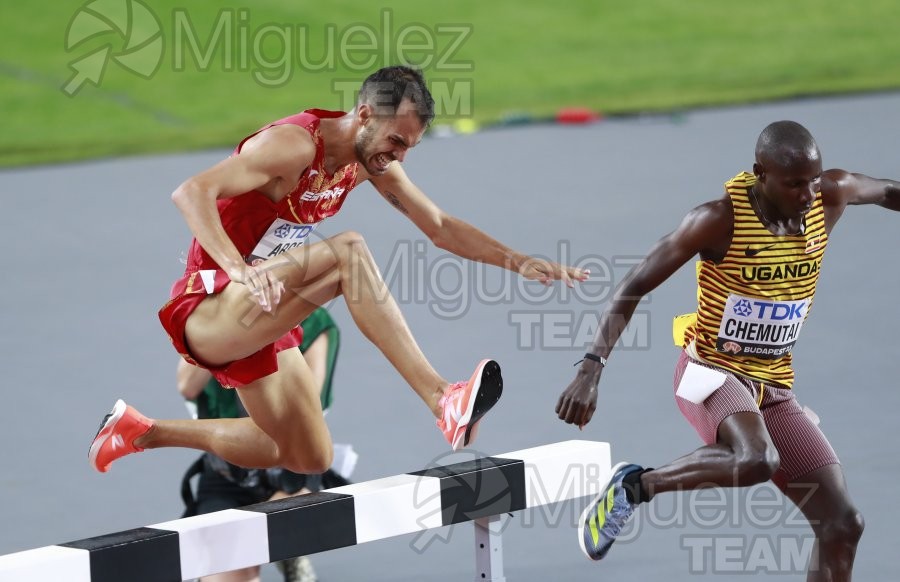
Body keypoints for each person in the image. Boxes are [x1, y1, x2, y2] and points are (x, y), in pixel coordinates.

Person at [89, 65, 587, 478]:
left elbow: (438, 225)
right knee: (350, 252)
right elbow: (190, 191)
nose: (399, 157)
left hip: (262, 313)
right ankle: (442, 400)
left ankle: (142, 432)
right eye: (396, 140)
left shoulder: (367, 162)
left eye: (410, 147)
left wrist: (520, 261)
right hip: (213, 307)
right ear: (365, 114)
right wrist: (238, 269)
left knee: (308, 455)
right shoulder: (293, 146)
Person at [556, 120, 898, 580]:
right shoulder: (718, 219)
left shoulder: (829, 195)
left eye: (813, 180)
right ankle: (635, 486)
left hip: (772, 383)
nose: (808, 194)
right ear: (761, 173)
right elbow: (633, 286)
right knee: (756, 459)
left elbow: (887, 191)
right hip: (711, 373)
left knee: (842, 524)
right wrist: (591, 370)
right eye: (795, 183)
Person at [178, 307, 344, 582]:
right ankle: (278, 549)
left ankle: (288, 549)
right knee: (223, 571)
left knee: (254, 536)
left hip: (291, 465)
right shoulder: (207, 314)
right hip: (227, 469)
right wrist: (227, 331)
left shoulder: (314, 321)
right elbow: (187, 385)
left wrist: (276, 333)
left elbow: (307, 410)